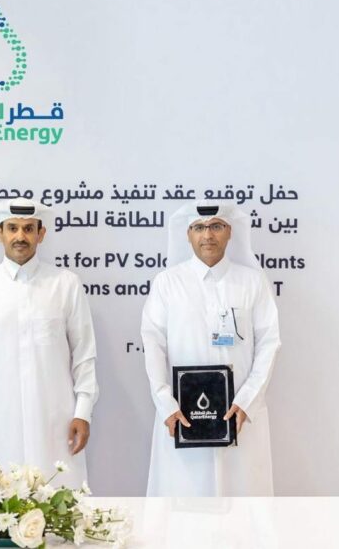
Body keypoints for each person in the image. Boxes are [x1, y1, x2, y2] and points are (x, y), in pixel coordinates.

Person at [0, 198, 98, 486]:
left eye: (28, 229)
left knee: (59, 498)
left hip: (55, 421)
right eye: (13, 228)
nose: (20, 236)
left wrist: (84, 412)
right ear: (0, 233)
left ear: (40, 235)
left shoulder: (66, 284)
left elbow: (84, 355)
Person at [141, 201, 281, 496]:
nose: (208, 235)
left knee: (243, 510)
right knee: (185, 507)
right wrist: (166, 403)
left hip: (239, 415)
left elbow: (269, 342)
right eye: (199, 228)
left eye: (216, 226)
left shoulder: (253, 282)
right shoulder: (167, 283)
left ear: (230, 232)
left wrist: (247, 400)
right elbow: (153, 344)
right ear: (188, 234)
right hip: (182, 417)